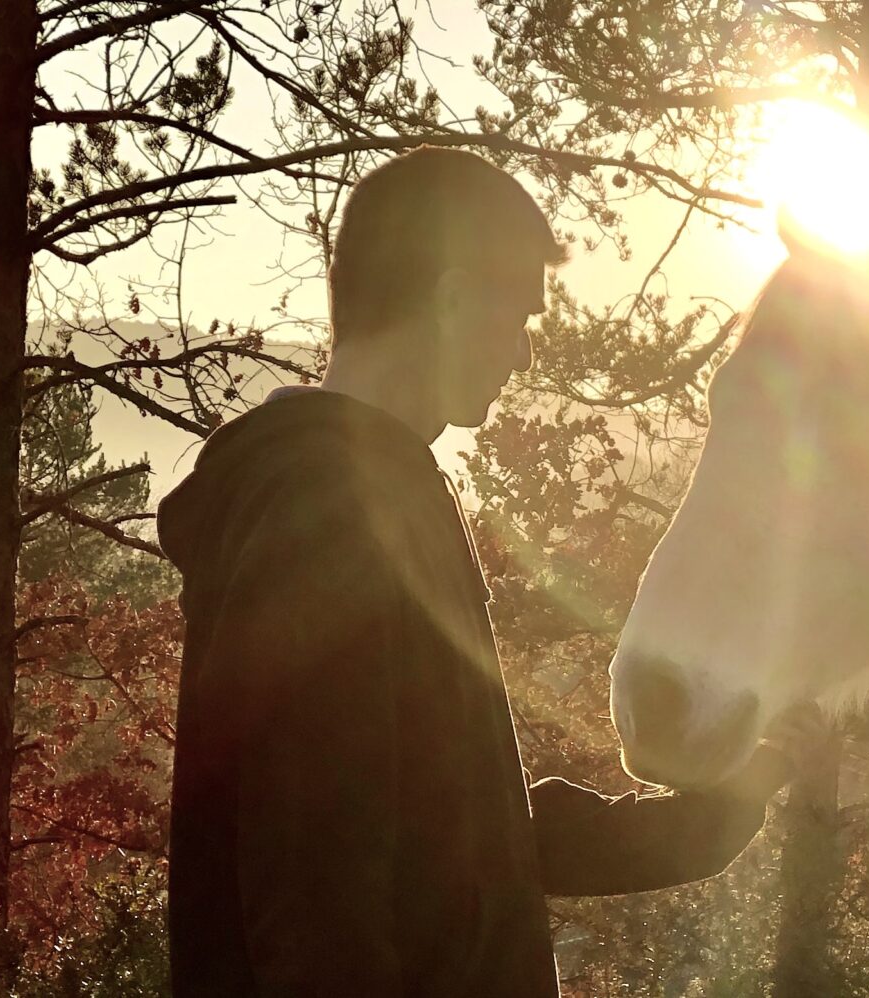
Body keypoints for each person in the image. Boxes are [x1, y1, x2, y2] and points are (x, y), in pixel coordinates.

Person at [158, 147, 786, 997]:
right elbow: (311, 871)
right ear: (452, 299)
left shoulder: (376, 488)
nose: (524, 356)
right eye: (519, 316)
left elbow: (468, 835)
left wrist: (724, 806)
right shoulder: (326, 506)